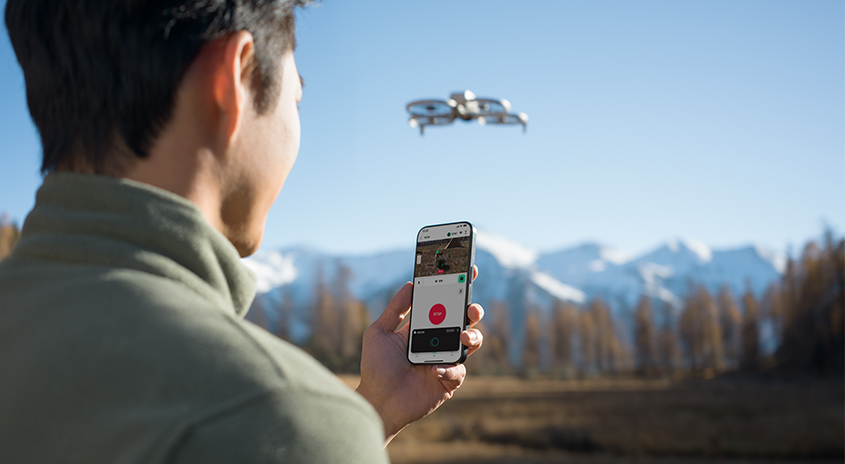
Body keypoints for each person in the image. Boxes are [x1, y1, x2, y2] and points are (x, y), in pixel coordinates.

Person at [0, 1, 485, 462]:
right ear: (231, 80)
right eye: (296, 97)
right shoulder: (276, 416)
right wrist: (326, 434)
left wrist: (371, 416)